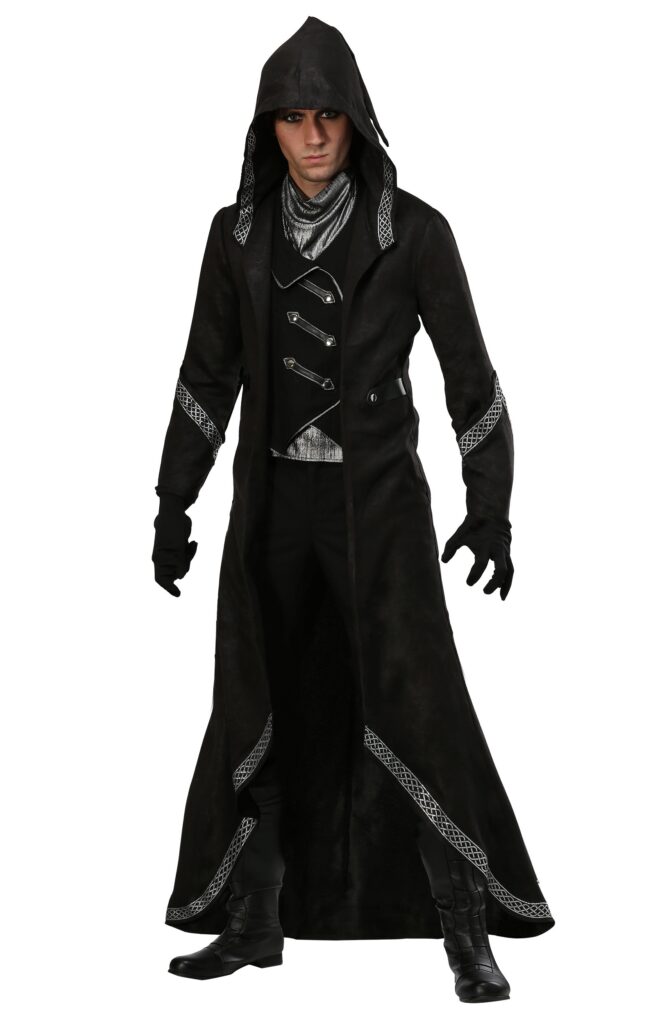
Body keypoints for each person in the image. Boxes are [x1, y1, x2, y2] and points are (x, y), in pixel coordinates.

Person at [152, 16, 554, 1002]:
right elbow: (206, 377)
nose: (313, 137)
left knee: (420, 703)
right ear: (269, 128)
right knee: (258, 697)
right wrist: (173, 501)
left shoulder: (414, 232)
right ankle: (254, 921)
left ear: (356, 120)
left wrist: (491, 509)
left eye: (328, 115)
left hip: (377, 510)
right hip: (271, 510)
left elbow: (470, 379)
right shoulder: (235, 235)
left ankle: (465, 931)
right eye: (293, 117)